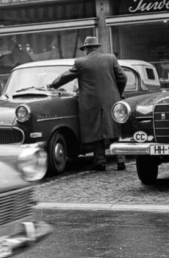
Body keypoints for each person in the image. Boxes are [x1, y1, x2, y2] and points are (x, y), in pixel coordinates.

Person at [47, 36, 127, 171]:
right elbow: (123, 77)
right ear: (97, 47)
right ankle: (121, 160)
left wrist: (52, 85)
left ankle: (100, 161)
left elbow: (65, 77)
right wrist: (117, 92)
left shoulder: (81, 62)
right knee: (114, 129)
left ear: (86, 49)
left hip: (91, 102)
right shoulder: (110, 58)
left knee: (97, 131)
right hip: (111, 99)